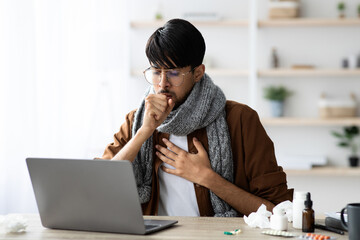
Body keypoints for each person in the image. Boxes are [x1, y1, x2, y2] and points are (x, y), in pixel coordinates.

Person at [100, 18, 293, 217]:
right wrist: (144, 132)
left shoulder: (241, 120)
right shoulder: (137, 121)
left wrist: (208, 178)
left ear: (198, 73)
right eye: (156, 72)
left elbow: (280, 212)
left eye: (174, 73)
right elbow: (100, 188)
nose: (162, 84)